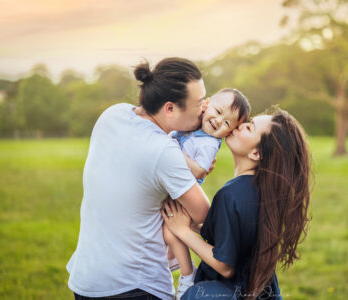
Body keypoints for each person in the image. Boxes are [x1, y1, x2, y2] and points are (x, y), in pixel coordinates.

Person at [66, 57, 212, 300]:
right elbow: (203, 215)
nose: (205, 108)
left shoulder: (113, 115)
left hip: (86, 280)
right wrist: (198, 168)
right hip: (134, 287)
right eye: (199, 103)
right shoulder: (163, 152)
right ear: (170, 108)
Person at [161, 109, 312, 299]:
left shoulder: (231, 195)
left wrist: (183, 231)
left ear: (256, 153)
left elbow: (225, 266)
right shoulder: (262, 192)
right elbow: (237, 240)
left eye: (249, 127)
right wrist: (198, 227)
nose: (239, 125)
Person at [164, 88, 251, 299]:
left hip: (183, 194)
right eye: (218, 111)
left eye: (227, 123)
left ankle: (186, 275)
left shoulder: (210, 143)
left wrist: (168, 148)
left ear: (228, 132)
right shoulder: (195, 125)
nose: (219, 121)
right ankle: (171, 262)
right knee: (165, 235)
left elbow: (200, 169)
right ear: (207, 103)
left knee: (169, 233)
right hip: (171, 185)